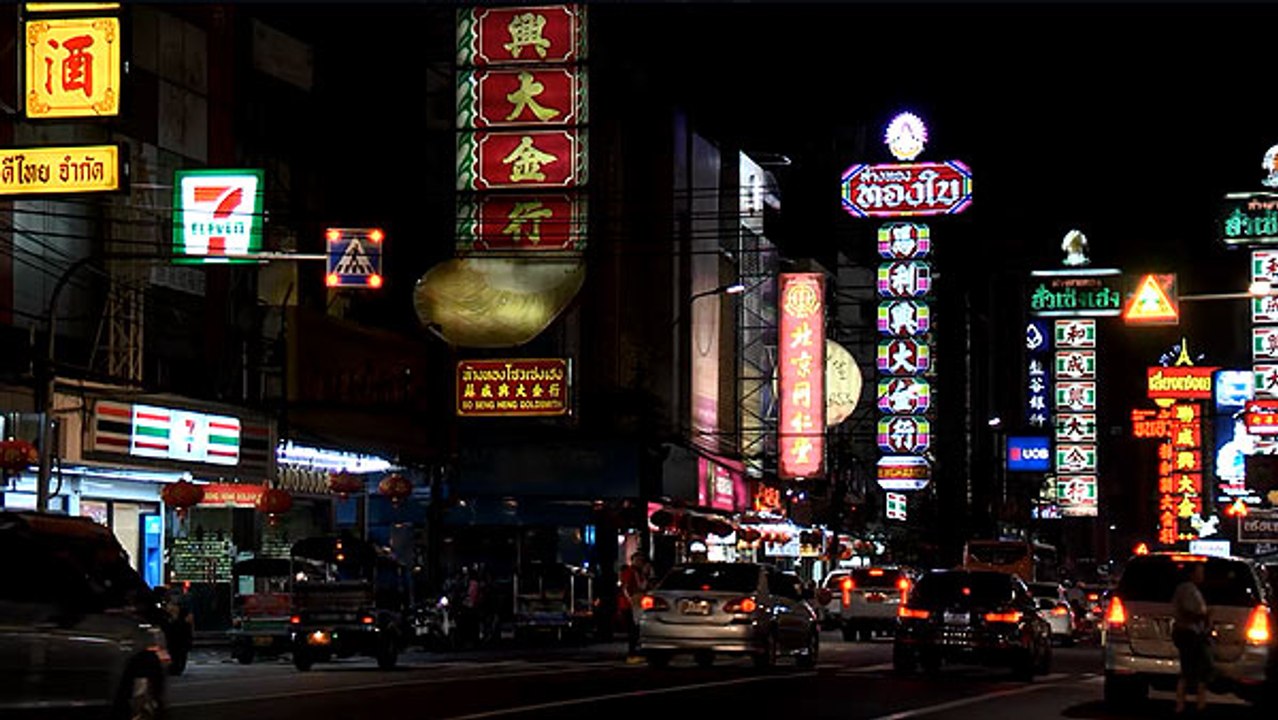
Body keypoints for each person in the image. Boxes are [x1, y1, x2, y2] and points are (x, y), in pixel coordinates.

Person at [1171, 562, 1211, 714]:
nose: (1202, 576)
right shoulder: (1187, 589)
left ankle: (1190, 703)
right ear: (1192, 574)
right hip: (1188, 633)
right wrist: (1204, 616)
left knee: (1193, 669)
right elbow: (1187, 612)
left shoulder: (1191, 589)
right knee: (1193, 669)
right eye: (1199, 572)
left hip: (1191, 632)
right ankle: (1185, 704)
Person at [617, 551, 651, 661]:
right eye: (639, 560)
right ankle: (632, 653)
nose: (640, 563)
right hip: (629, 605)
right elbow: (625, 588)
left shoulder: (639, 573)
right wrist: (630, 600)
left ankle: (635, 652)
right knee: (633, 630)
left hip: (635, 604)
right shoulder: (630, 572)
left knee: (636, 630)